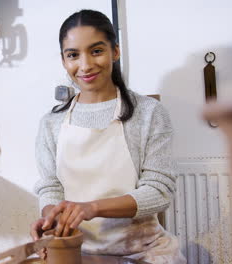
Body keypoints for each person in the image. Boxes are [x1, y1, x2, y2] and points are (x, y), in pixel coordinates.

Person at [31, 9, 186, 264]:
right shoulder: (51, 123)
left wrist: (92, 208)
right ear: (63, 60)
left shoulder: (148, 113)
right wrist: (51, 217)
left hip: (143, 251)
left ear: (115, 51)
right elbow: (50, 187)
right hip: (77, 251)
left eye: (96, 51)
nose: (85, 65)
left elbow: (160, 191)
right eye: (73, 55)